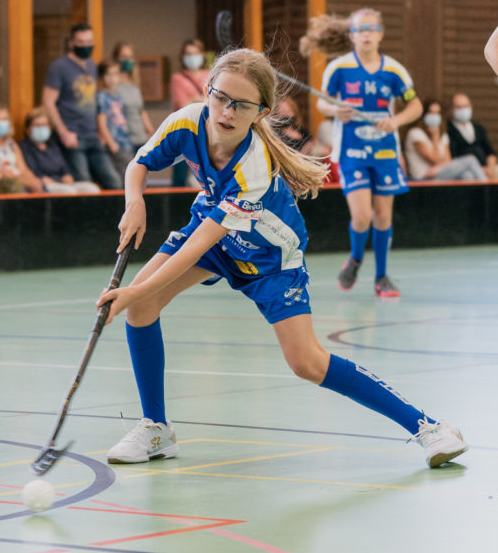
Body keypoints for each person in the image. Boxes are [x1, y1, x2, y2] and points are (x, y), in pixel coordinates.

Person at [97, 48, 466, 470]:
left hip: (269, 256)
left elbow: (197, 247)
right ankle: (156, 428)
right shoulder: (186, 121)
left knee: (306, 362)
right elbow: (138, 165)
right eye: (220, 98)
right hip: (216, 228)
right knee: (143, 307)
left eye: (242, 105)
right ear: (207, 90)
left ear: (261, 112)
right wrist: (134, 202)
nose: (227, 111)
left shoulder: (253, 168)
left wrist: (132, 291)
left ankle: (429, 426)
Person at [311, 10, 422, 298]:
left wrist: (395, 121)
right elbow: (322, 104)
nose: (367, 34)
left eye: (373, 29)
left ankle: (382, 277)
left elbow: (415, 106)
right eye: (361, 29)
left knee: (383, 216)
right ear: (352, 35)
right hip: (351, 151)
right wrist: (336, 111)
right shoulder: (339, 68)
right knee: (362, 217)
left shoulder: (394, 71)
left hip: (385, 151)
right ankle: (356, 258)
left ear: (381, 34)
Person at [42, 24, 121, 189]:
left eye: (89, 41)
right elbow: (48, 102)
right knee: (83, 182)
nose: (85, 46)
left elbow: (99, 101)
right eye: (81, 41)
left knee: (113, 180)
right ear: (71, 43)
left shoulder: (93, 66)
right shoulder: (59, 67)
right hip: (72, 135)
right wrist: (63, 132)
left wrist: (101, 131)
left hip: (93, 134)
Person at [19, 107, 98, 194]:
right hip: (44, 185)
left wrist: (67, 175)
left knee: (91, 188)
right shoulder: (24, 147)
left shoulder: (53, 145)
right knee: (68, 192)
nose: (41, 128)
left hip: (61, 182)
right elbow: (34, 171)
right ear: (28, 129)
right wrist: (55, 180)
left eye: (44, 125)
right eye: (37, 126)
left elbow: (63, 166)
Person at [405, 100, 486, 181]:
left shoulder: (443, 135)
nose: (434, 116)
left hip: (438, 172)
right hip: (423, 177)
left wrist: (438, 168)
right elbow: (434, 160)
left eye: (437, 113)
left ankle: (483, 192)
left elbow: (448, 160)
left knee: (467, 175)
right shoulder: (415, 133)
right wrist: (435, 137)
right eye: (431, 112)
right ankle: (488, 188)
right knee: (470, 160)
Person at [168, 38, 209, 187]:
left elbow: (216, 101)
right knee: (180, 176)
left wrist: (194, 99)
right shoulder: (177, 78)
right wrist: (203, 99)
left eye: (195, 53)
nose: (192, 57)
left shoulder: (209, 74)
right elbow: (182, 104)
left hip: (206, 131)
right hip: (184, 131)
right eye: (188, 54)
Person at [0, 104, 36, 193]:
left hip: (19, 180)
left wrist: (31, 179)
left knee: (37, 185)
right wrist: (23, 180)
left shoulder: (12, 144)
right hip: (3, 183)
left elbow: (23, 168)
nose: (0, 123)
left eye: (4, 119)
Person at [112, 41, 154, 158]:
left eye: (130, 57)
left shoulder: (134, 82)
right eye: (123, 57)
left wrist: (150, 130)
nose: (127, 60)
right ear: (116, 59)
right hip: (124, 140)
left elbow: (141, 110)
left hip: (140, 138)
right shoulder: (113, 84)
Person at [97, 61, 136, 180]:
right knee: (126, 178)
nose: (112, 78)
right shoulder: (102, 96)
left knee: (133, 174)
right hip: (115, 143)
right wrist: (111, 143)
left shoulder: (117, 96)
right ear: (103, 77)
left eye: (115, 74)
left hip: (125, 142)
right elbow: (101, 123)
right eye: (109, 74)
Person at [446, 93, 498, 180]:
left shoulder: (478, 128)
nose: (463, 110)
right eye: (459, 107)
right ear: (452, 109)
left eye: (465, 106)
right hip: (464, 169)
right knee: (468, 176)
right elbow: (453, 157)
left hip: (486, 167)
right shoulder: (449, 130)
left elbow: (490, 152)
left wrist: (490, 168)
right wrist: (480, 170)